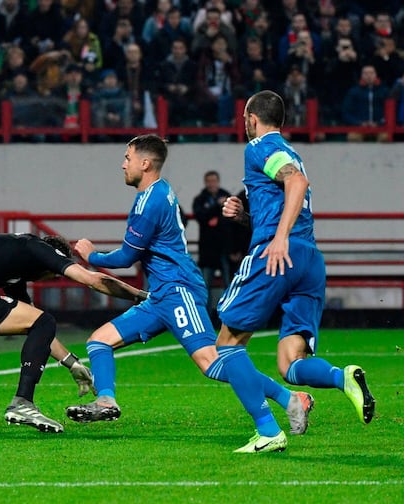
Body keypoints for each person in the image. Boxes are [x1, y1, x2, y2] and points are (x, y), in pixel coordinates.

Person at [65, 134, 313, 453]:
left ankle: (285, 406)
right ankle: (106, 400)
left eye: (127, 157)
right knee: (99, 340)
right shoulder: (160, 190)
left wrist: (92, 255)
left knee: (212, 363)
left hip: (179, 290)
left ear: (145, 163)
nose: (123, 164)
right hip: (161, 294)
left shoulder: (150, 202)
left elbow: (127, 257)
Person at [218, 90, 376, 445]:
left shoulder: (260, 147)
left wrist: (278, 238)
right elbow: (290, 193)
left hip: (278, 255)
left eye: (245, 117)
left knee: (227, 345)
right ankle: (343, 377)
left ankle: (267, 430)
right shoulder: (293, 153)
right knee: (290, 363)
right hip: (309, 259)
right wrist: (246, 217)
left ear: (253, 119)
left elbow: (295, 182)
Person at [0, 232, 145, 434]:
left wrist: (72, 364)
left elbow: (34, 328)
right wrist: (143, 297)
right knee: (45, 320)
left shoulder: (13, 264)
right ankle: (23, 403)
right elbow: (93, 280)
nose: (52, 277)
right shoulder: (36, 248)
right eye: (53, 273)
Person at [192, 169, 233, 314]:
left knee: (229, 284)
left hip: (224, 249)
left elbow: (231, 221)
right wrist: (217, 206)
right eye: (209, 181)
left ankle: (229, 315)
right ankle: (206, 317)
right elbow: (201, 217)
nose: (211, 184)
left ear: (218, 181)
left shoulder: (227, 197)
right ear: (205, 182)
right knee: (205, 285)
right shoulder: (200, 200)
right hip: (207, 250)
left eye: (214, 181)